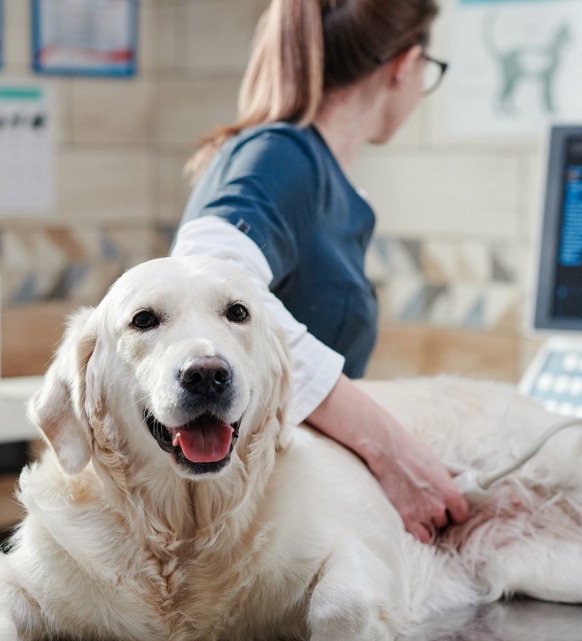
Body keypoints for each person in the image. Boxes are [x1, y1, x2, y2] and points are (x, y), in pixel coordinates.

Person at [170, 0, 467, 543]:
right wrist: (392, 450)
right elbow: (203, 276)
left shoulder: (312, 171)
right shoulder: (282, 155)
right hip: (252, 530)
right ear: (407, 64)